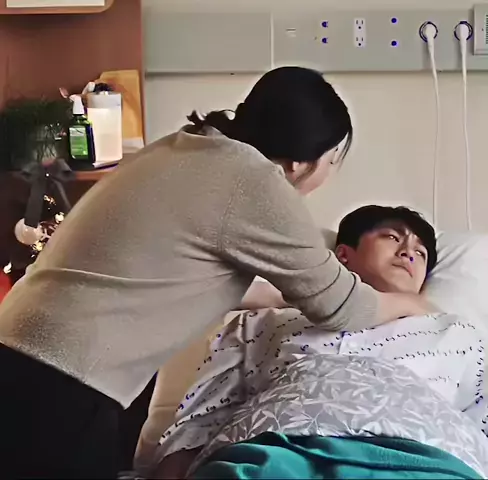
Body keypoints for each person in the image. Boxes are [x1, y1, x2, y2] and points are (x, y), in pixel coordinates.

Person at [0, 67, 433, 478]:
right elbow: (342, 307)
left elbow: (173, 268)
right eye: (334, 160)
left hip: (20, 347)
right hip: (63, 381)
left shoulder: (186, 148)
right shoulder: (253, 182)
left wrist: (278, 295)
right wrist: (412, 304)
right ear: (304, 162)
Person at [142, 206, 488, 479]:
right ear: (343, 255)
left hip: (425, 460)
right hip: (274, 452)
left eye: (421, 252)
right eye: (392, 237)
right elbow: (201, 420)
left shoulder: (460, 335)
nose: (409, 252)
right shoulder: (267, 321)